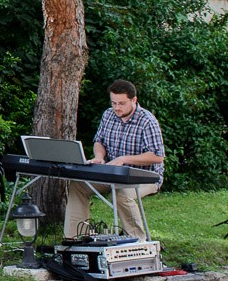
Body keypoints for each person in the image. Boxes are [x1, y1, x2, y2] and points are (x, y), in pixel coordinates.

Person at [64, 79, 164, 240]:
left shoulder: (147, 121)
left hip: (145, 177)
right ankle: (74, 238)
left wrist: (124, 159)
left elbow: (158, 156)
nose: (117, 107)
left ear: (134, 100)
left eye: (122, 103)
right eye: (114, 103)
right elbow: (99, 141)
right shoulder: (108, 114)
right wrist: (99, 157)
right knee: (79, 185)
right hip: (113, 173)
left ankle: (137, 241)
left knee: (121, 194)